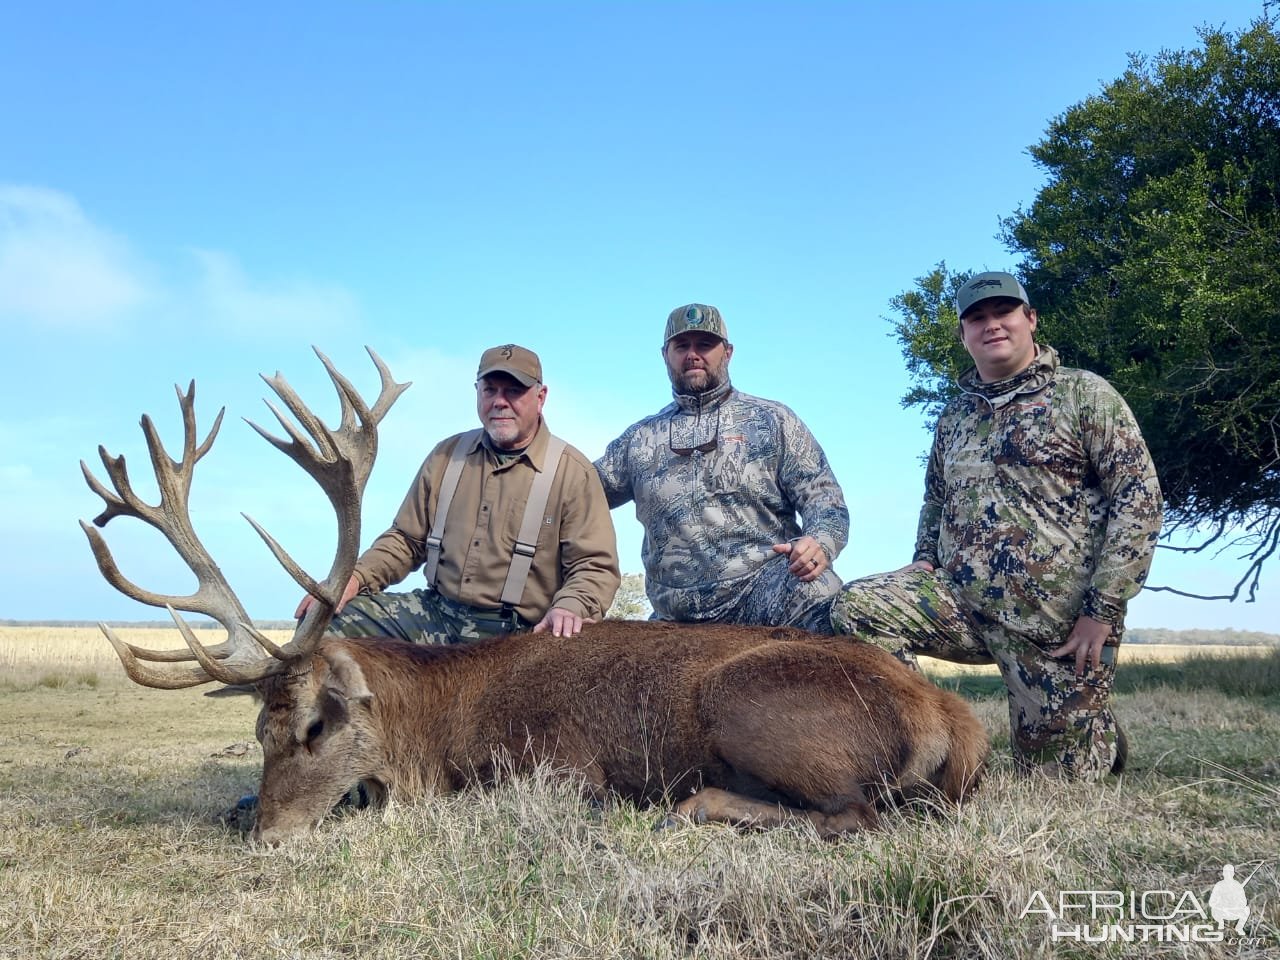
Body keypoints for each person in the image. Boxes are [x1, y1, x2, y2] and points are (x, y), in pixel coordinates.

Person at [830, 272, 1162, 780]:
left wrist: (1102, 609)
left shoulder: (1085, 395)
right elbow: (936, 498)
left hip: (1057, 624)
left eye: (1004, 313)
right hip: (960, 602)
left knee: (1056, 788)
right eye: (977, 318)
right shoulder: (955, 415)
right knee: (857, 608)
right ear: (964, 335)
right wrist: (925, 556)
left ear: (1030, 320)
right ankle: (930, 737)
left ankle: (1089, 723)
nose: (992, 326)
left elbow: (1138, 501)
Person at [297, 343, 621, 643]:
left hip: (520, 635)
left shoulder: (572, 473)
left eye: (514, 391)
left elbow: (594, 566)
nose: (500, 402)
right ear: (477, 392)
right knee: (323, 621)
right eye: (490, 390)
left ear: (541, 397)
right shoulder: (446, 456)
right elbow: (405, 540)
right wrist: (353, 578)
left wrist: (571, 606)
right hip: (437, 615)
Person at [595, 303, 849, 632]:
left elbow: (824, 498)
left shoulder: (772, 420)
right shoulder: (638, 439)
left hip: (767, 590)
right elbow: (580, 492)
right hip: (676, 612)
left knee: (834, 606)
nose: (693, 355)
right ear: (665, 355)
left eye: (705, 345)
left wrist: (819, 542)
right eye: (682, 346)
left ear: (727, 352)